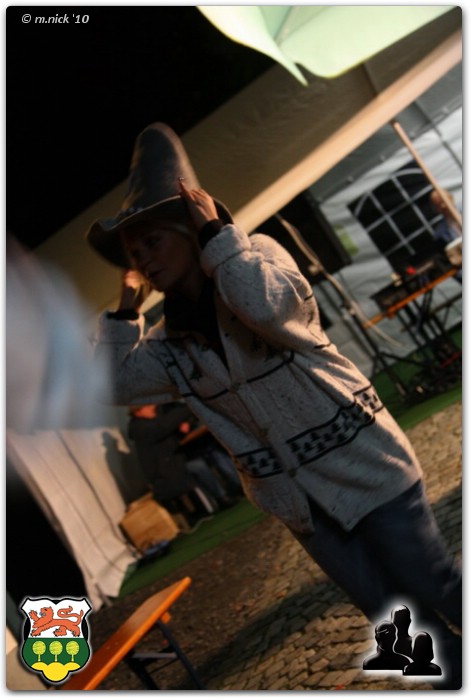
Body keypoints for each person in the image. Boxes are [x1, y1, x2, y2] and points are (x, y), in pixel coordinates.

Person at [87, 123, 462, 687]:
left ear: (191, 225)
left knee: (433, 583)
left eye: (153, 242)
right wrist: (122, 316)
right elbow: (112, 387)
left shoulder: (256, 256)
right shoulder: (167, 344)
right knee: (394, 618)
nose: (144, 260)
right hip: (302, 507)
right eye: (134, 253)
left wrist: (218, 236)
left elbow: (264, 308)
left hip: (369, 469)